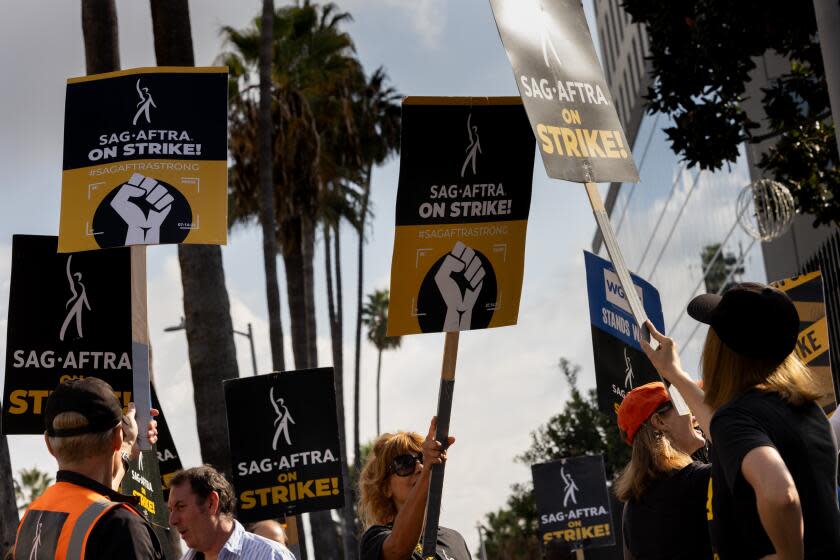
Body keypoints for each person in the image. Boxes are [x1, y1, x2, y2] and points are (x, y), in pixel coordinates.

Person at [641, 282, 840, 559]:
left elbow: (781, 494)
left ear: (722, 351)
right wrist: (674, 374)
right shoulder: (809, 412)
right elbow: (725, 433)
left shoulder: (737, 418)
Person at [13, 377, 161, 559]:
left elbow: (90, 503)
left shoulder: (32, 518)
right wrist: (124, 444)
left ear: (49, 445)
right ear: (117, 437)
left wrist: (127, 447)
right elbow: (95, 508)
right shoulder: (121, 527)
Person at [615, 382, 711, 560]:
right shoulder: (700, 481)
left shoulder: (631, 507)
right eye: (685, 404)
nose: (695, 414)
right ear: (660, 421)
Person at [358, 417, 471, 560]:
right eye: (405, 464)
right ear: (386, 488)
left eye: (423, 458)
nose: (420, 467)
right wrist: (427, 472)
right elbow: (398, 550)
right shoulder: (375, 540)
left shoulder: (455, 539)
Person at [167, 465, 295, 560]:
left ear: (211, 503)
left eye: (181, 507)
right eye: (171, 510)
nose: (172, 520)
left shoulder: (271, 555)